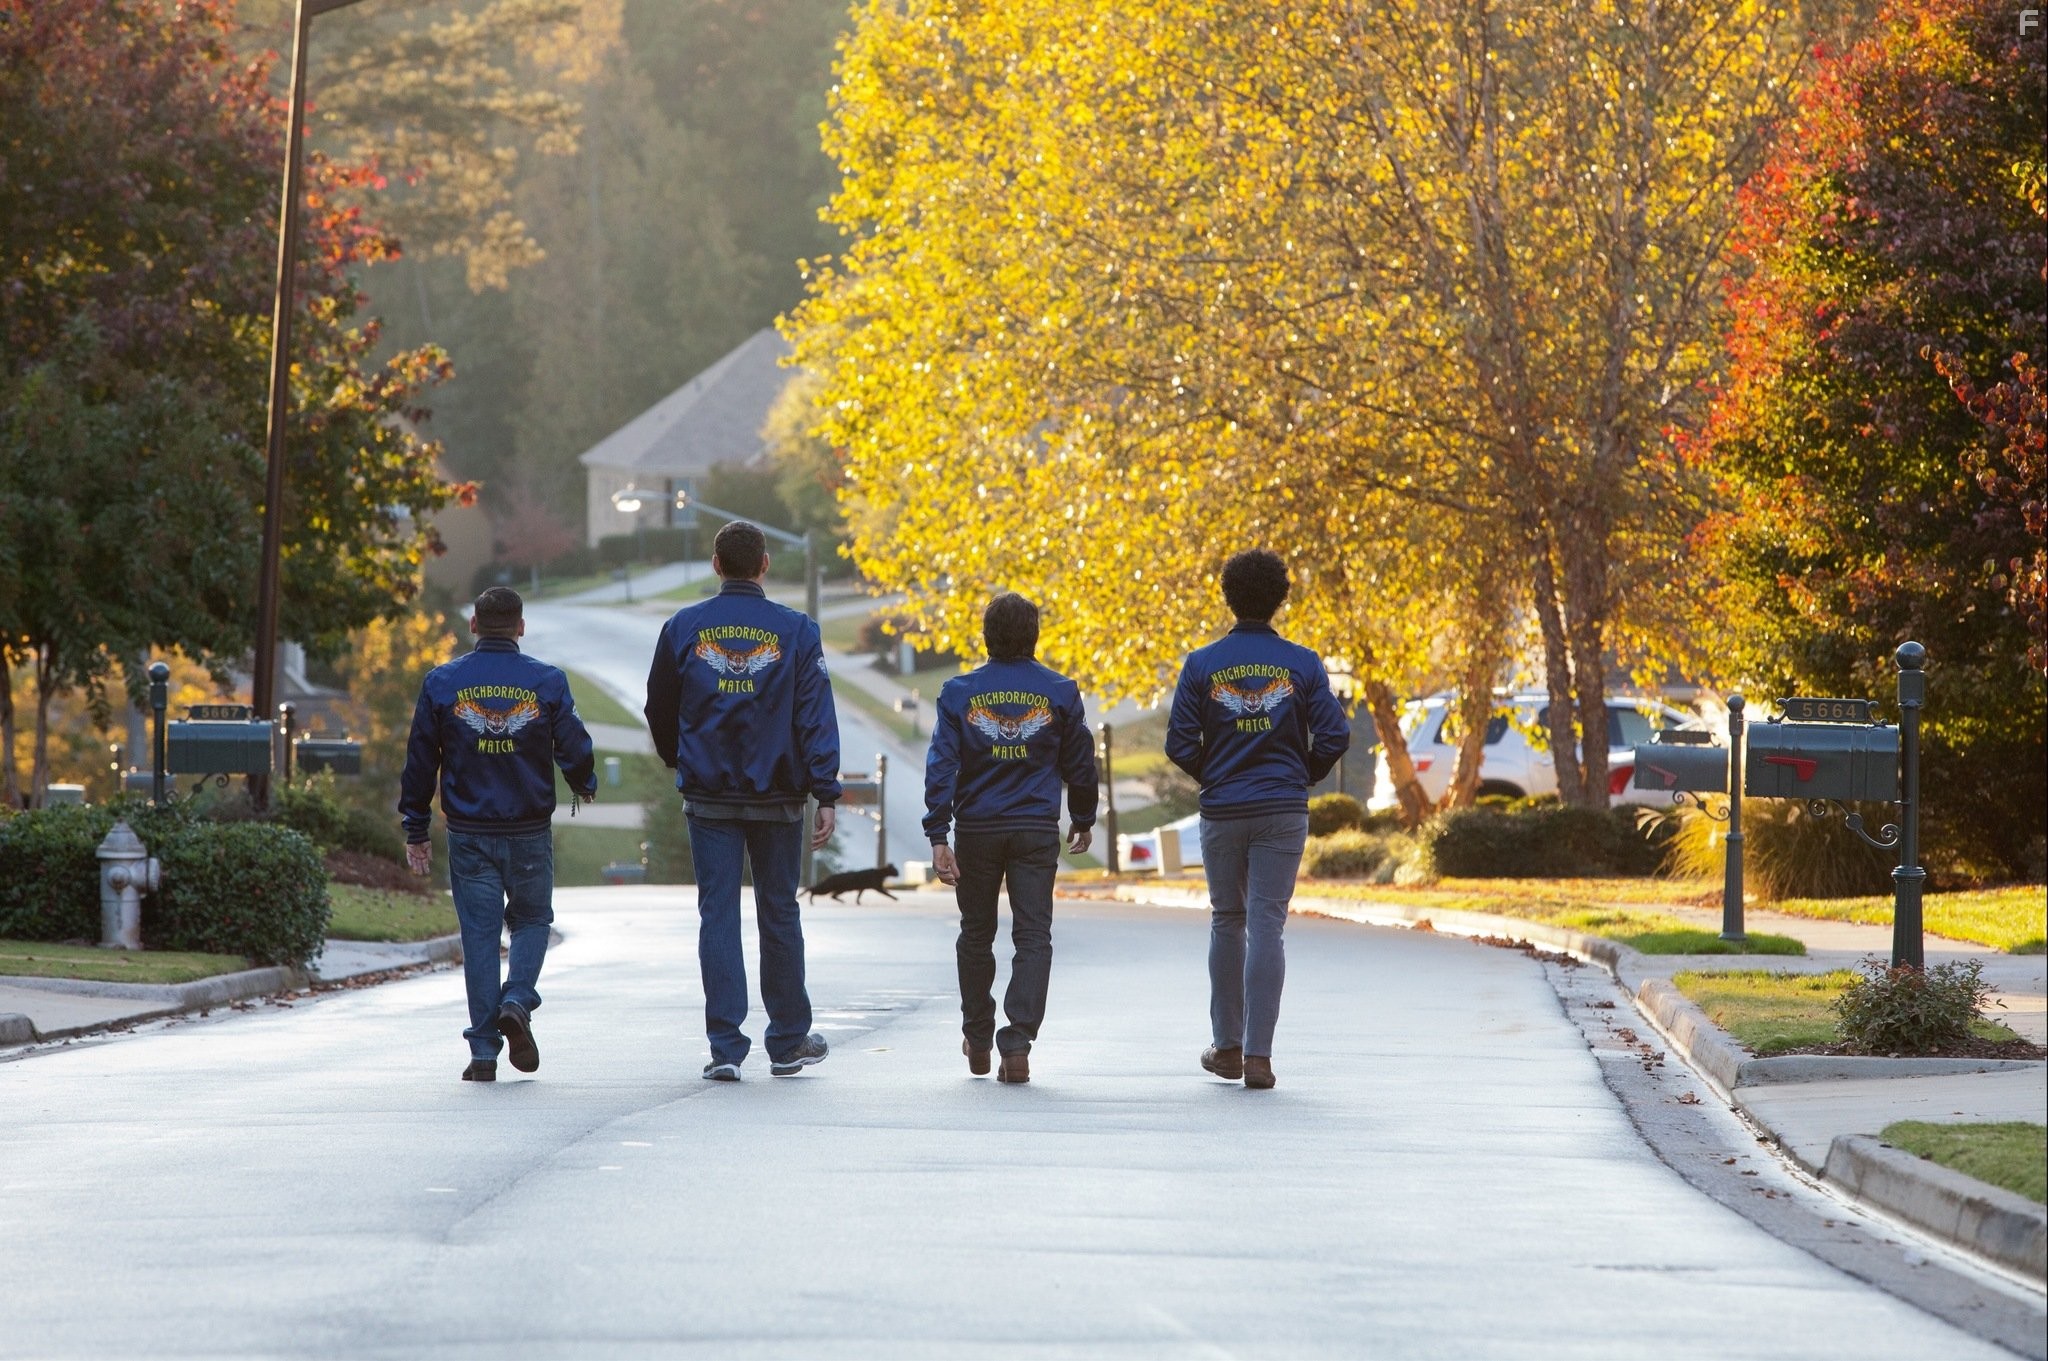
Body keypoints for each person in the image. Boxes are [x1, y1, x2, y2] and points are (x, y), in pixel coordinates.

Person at [644, 521, 841, 1081]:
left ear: (715, 564)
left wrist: (679, 760)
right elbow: (814, 715)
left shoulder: (683, 627)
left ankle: (726, 1048)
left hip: (708, 797)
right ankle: (785, 1042)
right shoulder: (797, 631)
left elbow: (659, 707)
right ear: (764, 565)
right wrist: (825, 789)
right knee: (779, 912)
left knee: (718, 916)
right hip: (778, 796)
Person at [1166, 550, 1349, 1090]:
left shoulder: (1201, 664)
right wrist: (1302, 774)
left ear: (1227, 596)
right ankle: (1259, 1058)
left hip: (1223, 808)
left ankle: (1227, 1046)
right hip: (1281, 808)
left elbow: (1178, 742)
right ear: (1279, 598)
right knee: (1268, 923)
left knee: (1228, 919)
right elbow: (1335, 735)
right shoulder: (1303, 663)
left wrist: (1215, 774)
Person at [400, 587, 597, 1083]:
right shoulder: (546, 681)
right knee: (532, 921)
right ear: (521, 627)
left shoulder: (442, 683)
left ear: (473, 625)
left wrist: (416, 827)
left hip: (468, 832)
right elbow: (572, 743)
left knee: (481, 937)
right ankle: (517, 1000)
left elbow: (422, 760)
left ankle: (484, 1052)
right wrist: (583, 781)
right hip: (529, 829)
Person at [924, 593, 1098, 1085]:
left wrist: (938, 832)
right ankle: (1017, 1041)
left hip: (977, 830)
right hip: (1035, 830)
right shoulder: (1060, 692)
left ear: (987, 635)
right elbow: (1080, 761)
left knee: (976, 934)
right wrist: (1082, 815)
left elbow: (943, 765)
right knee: (1033, 935)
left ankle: (977, 1035)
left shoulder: (959, 692)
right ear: (1034, 635)